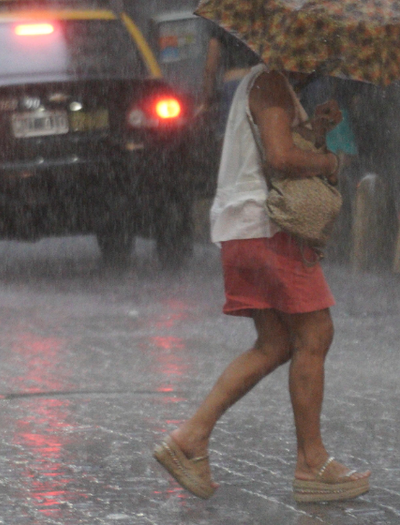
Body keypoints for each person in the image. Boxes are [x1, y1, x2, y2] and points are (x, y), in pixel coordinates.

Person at [153, 64, 370, 503]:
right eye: (316, 50)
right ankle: (312, 462)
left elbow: (275, 148)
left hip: (244, 228)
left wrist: (316, 130)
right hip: (266, 226)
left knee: (275, 344)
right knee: (315, 333)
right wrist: (330, 161)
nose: (318, 60)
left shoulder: (268, 85)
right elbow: (280, 158)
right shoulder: (269, 83)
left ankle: (190, 438)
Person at [201, 25, 260, 134]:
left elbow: (211, 67)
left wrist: (207, 101)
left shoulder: (224, 21)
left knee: (230, 135)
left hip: (233, 85)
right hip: (259, 82)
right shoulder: (262, 21)